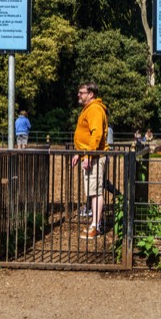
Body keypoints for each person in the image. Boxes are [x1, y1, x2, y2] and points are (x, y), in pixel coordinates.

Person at [72, 82, 109, 239]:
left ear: (91, 94)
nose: (79, 95)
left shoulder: (94, 109)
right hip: (90, 156)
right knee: (92, 191)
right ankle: (95, 223)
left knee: (96, 191)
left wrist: (88, 155)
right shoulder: (88, 109)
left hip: (94, 157)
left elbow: (96, 135)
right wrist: (80, 154)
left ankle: (96, 226)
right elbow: (86, 136)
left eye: (82, 92)